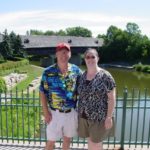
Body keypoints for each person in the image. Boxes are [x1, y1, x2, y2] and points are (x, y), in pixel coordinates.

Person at [39, 42, 82, 150]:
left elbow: (85, 86)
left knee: (67, 140)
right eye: (61, 52)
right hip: (54, 113)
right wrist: (45, 111)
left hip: (71, 113)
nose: (64, 55)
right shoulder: (48, 72)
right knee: (50, 142)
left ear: (70, 54)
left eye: (66, 52)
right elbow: (42, 92)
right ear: (56, 54)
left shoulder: (76, 71)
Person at [77, 48, 116, 150]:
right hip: (84, 116)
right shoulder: (82, 76)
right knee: (90, 141)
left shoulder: (105, 76)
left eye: (93, 57)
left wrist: (109, 117)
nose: (90, 59)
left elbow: (112, 98)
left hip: (99, 117)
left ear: (97, 58)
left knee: (96, 144)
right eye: (87, 57)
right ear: (84, 59)